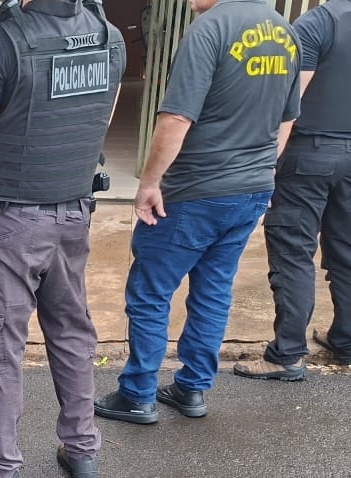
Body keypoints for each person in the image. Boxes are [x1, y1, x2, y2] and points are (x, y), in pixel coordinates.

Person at [0, 0, 124, 478]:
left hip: (11, 222)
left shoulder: (6, 41)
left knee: (2, 343)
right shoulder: (109, 37)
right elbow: (95, 122)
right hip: (74, 213)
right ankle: (82, 450)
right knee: (71, 332)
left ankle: (1, 471)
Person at [94, 0, 299, 425]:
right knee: (213, 288)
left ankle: (137, 394)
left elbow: (175, 119)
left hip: (195, 189)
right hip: (250, 189)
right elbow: (286, 119)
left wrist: (149, 183)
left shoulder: (209, 30)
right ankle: (191, 388)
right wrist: (264, 168)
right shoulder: (285, 31)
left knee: (151, 291)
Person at [234, 0, 351, 381]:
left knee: (293, 254)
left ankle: (286, 355)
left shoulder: (318, 22)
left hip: (305, 155)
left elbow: (288, 104)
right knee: (348, 252)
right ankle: (346, 342)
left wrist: (265, 165)